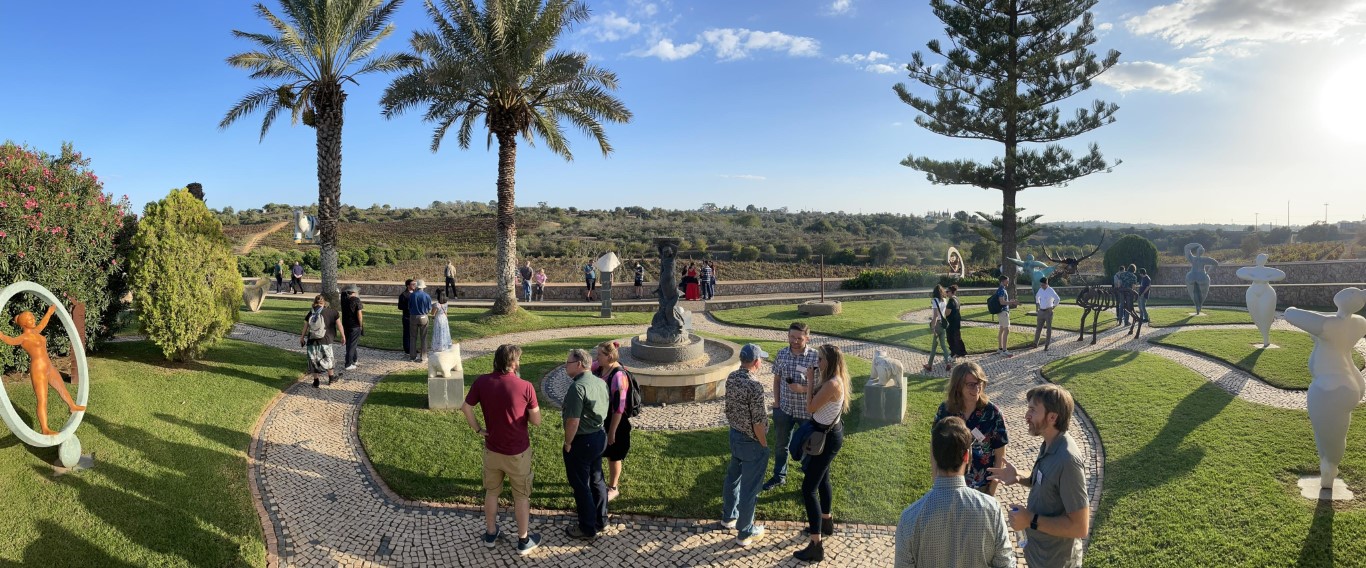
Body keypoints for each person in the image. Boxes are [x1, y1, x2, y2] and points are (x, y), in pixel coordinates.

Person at [989, 385, 1090, 568]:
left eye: (1033, 410)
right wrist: (1019, 476)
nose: (1026, 416)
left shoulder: (1067, 460)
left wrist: (1030, 520)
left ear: (1052, 417)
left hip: (1057, 562)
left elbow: (1080, 527)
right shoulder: (1050, 444)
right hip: (1040, 556)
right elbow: (1047, 481)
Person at [895, 416, 1014, 568]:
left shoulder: (909, 518)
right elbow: (1006, 564)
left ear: (934, 455)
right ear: (967, 455)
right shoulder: (992, 510)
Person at [461, 344, 543, 555]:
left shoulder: (481, 382)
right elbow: (536, 421)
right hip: (517, 453)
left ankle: (490, 534)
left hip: (492, 450)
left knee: (492, 492)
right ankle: (523, 540)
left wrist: (479, 429)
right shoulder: (526, 387)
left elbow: (466, 408)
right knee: (521, 496)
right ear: (513, 363)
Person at [789, 344, 851, 563]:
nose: (818, 363)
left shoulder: (832, 383)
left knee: (808, 488)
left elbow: (811, 408)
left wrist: (807, 386)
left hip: (826, 437)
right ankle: (826, 522)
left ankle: (816, 545)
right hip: (830, 433)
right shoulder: (832, 379)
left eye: (821, 359)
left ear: (830, 362)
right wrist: (812, 379)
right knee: (823, 477)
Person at [0, 306, 85, 435]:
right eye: (30, 319)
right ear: (23, 323)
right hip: (38, 369)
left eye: (33, 317)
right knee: (42, 399)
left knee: (62, 388)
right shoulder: (23, 338)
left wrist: (50, 312)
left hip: (49, 366)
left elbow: (43, 323)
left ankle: (72, 406)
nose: (33, 320)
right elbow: (9, 340)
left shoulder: (36, 331)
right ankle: (45, 429)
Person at [719, 343, 771, 547]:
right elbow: (758, 422)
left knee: (733, 477)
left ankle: (728, 517)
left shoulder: (732, 377)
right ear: (757, 362)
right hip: (751, 441)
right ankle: (745, 532)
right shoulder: (755, 386)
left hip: (734, 435)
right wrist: (764, 444)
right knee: (750, 488)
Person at [933, 362, 1008, 495]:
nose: (977, 388)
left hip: (981, 488)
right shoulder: (945, 411)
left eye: (979, 382)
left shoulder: (992, 413)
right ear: (958, 386)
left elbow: (1000, 455)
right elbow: (935, 447)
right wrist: (935, 482)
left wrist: (991, 490)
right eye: (971, 384)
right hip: (950, 485)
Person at [764, 322, 819, 492]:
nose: (794, 341)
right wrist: (777, 403)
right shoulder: (781, 354)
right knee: (781, 445)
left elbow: (823, 386)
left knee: (809, 448)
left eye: (799, 338)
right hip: (785, 410)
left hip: (806, 412)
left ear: (807, 338)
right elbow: (777, 380)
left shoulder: (816, 357)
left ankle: (809, 481)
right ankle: (779, 476)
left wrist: (802, 389)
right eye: (791, 337)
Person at [561, 348, 609, 539]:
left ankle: (587, 527)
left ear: (579, 364)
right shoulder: (599, 382)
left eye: (568, 363)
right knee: (597, 480)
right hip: (599, 436)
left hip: (582, 441)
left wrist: (567, 443)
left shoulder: (577, 387)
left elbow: (573, 421)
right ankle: (601, 520)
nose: (566, 366)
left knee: (581, 485)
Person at [593, 341, 633, 502]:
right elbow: (588, 368)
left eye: (599, 355)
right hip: (603, 417)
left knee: (614, 456)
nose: (596, 357)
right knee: (603, 452)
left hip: (616, 422)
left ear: (609, 356)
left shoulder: (618, 377)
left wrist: (612, 432)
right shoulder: (601, 367)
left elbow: (619, 409)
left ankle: (613, 487)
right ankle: (598, 481)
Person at [299, 294, 345, 388]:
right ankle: (331, 378)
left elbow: (305, 326)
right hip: (326, 340)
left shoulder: (311, 313)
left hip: (312, 340)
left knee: (314, 360)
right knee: (328, 358)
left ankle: (316, 381)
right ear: (324, 303)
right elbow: (340, 325)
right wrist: (343, 336)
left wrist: (302, 337)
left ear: (315, 302)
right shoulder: (333, 312)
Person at [924, 284, 952, 373]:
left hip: (937, 325)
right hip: (943, 325)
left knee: (934, 347)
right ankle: (948, 363)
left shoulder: (934, 301)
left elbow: (935, 315)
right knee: (943, 346)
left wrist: (933, 327)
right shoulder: (944, 300)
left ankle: (929, 365)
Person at [407, 280, 432, 363]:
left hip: (413, 316)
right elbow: (429, 308)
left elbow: (409, 306)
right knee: (423, 337)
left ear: (417, 286)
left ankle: (412, 356)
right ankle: (423, 356)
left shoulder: (412, 295)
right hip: (423, 316)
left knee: (413, 337)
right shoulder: (427, 296)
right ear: (423, 287)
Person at [994, 276, 1020, 357]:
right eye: (1007, 281)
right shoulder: (1001, 290)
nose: (1008, 282)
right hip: (1003, 312)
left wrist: (1010, 301)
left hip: (1002, 312)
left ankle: (1000, 348)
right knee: (1006, 330)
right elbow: (1002, 302)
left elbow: (1003, 301)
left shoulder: (1001, 289)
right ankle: (1004, 350)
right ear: (1003, 281)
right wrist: (1011, 303)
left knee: (1001, 329)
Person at [1033, 277, 1061, 351]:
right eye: (1041, 285)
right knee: (1038, 328)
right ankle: (1035, 343)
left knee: (1048, 329)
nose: (1041, 286)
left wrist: (1053, 306)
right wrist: (1038, 306)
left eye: (1043, 285)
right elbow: (1037, 297)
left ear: (1046, 284)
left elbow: (1057, 299)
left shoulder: (1051, 290)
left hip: (1048, 311)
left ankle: (1046, 345)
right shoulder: (1040, 290)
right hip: (1041, 311)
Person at [341, 285, 364, 370]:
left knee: (350, 343)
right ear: (354, 292)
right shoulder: (356, 300)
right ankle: (348, 363)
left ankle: (354, 359)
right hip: (354, 325)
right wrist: (361, 325)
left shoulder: (344, 300)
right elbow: (359, 314)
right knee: (352, 344)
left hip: (346, 324)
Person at [946, 285, 968, 360]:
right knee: (957, 338)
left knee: (951, 339)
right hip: (957, 322)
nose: (946, 293)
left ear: (951, 292)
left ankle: (953, 354)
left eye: (947, 292)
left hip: (951, 323)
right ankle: (961, 352)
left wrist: (942, 312)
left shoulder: (951, 300)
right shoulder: (957, 299)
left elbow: (947, 313)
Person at [429, 289, 451, 354]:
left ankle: (438, 346)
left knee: (438, 332)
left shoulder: (436, 304)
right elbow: (446, 312)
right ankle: (445, 345)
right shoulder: (446, 303)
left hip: (438, 318)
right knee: (444, 332)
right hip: (444, 318)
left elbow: (432, 313)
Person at [398, 279, 414, 356]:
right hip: (407, 317)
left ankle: (413, 348)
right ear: (408, 285)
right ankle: (407, 349)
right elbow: (400, 306)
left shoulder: (416, 293)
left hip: (414, 316)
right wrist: (408, 307)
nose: (414, 285)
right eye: (412, 284)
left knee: (413, 333)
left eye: (415, 284)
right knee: (407, 333)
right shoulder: (403, 295)